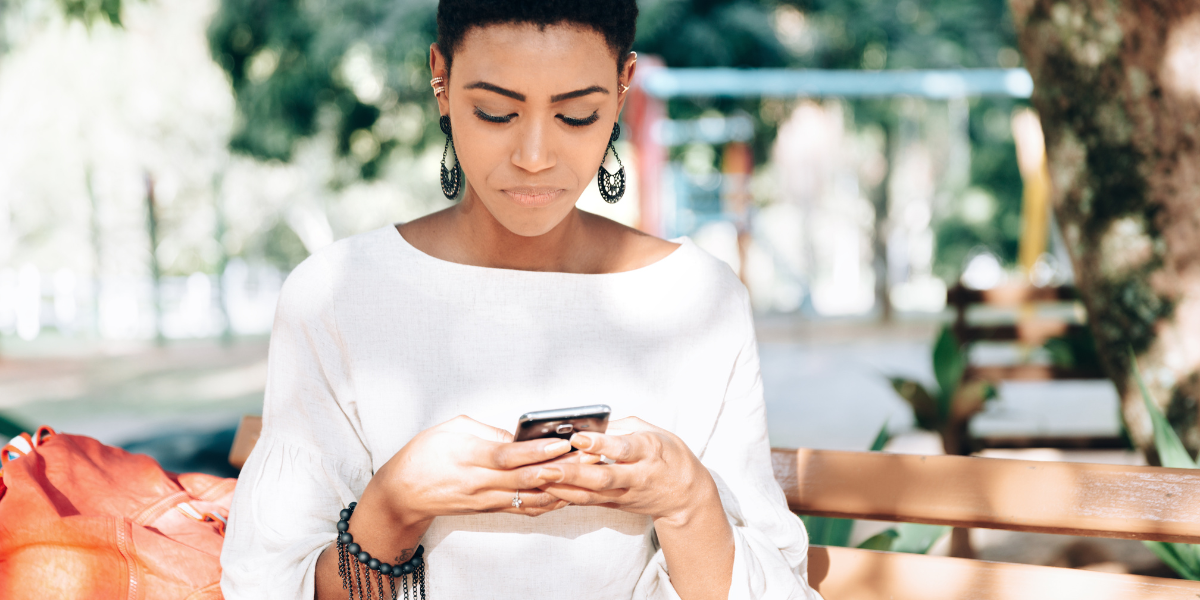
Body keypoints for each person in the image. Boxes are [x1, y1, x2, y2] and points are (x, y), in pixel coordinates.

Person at [219, 1, 822, 598]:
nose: (534, 158)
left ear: (622, 89)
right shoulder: (336, 295)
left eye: (578, 116)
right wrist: (395, 505)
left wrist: (688, 499)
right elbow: (271, 587)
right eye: (496, 112)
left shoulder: (700, 299)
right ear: (442, 82)